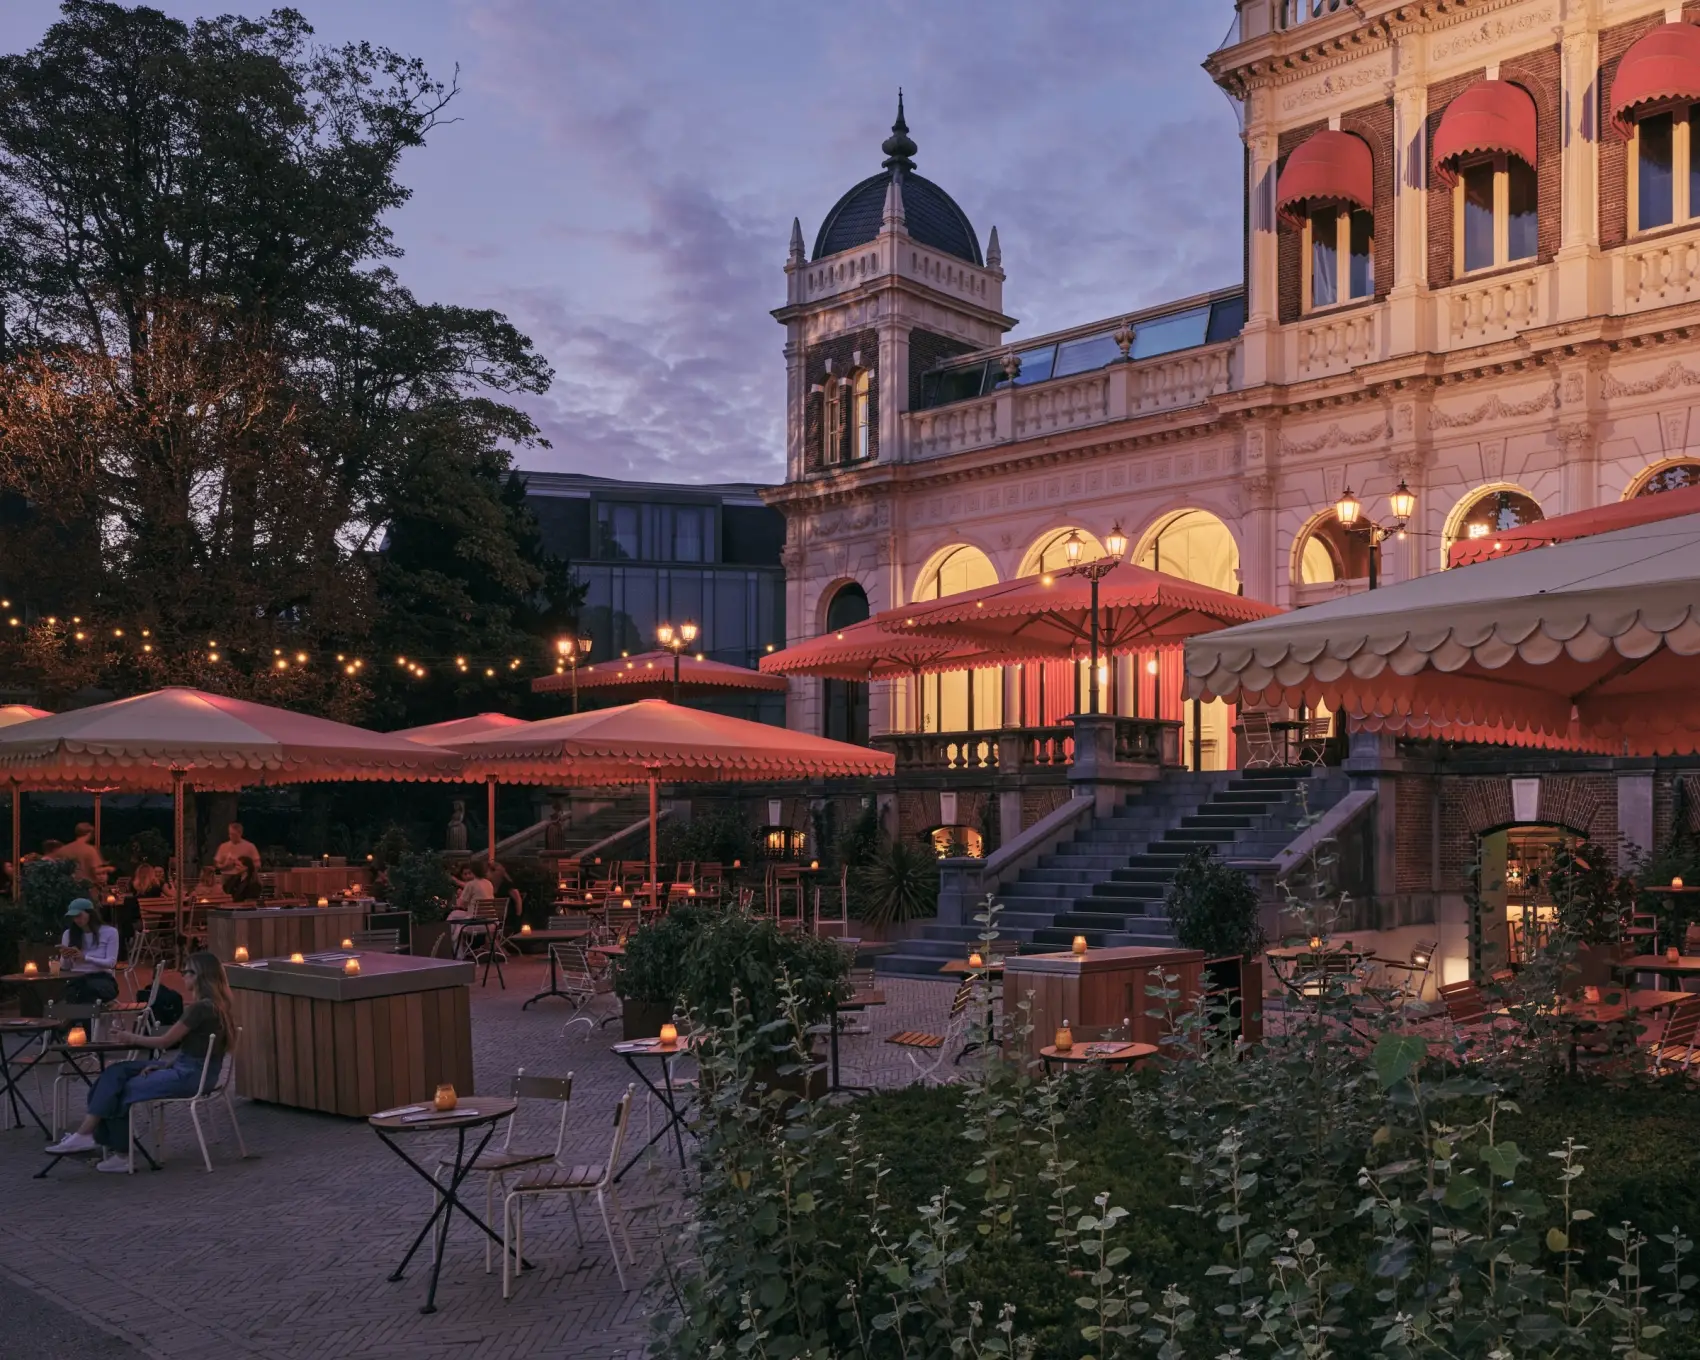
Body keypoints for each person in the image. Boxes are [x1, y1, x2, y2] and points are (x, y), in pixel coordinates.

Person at [44, 950, 234, 1173]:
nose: (183, 975)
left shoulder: (200, 1008)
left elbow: (165, 1042)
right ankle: (88, 1137)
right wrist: (166, 1065)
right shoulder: (216, 1005)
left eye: (187, 972)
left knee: (119, 1089)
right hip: (194, 1071)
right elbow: (195, 1051)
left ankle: (119, 1153)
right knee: (114, 1073)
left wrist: (130, 1037)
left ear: (201, 976)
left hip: (190, 1077)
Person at [57, 898, 121, 1005]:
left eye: (79, 915)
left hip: (101, 977)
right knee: (65, 993)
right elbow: (65, 967)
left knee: (87, 991)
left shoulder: (110, 932)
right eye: (73, 917)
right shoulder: (68, 934)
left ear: (90, 914)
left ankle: (84, 1015)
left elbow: (111, 963)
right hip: (76, 978)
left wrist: (85, 958)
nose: (76, 920)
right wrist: (65, 956)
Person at [213, 822, 260, 894]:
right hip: (226, 878)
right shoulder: (223, 846)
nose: (231, 836)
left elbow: (258, 864)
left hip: (244, 878)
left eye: (233, 834)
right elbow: (216, 864)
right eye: (230, 834)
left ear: (240, 833)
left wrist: (246, 868)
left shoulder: (250, 846)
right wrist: (224, 865)